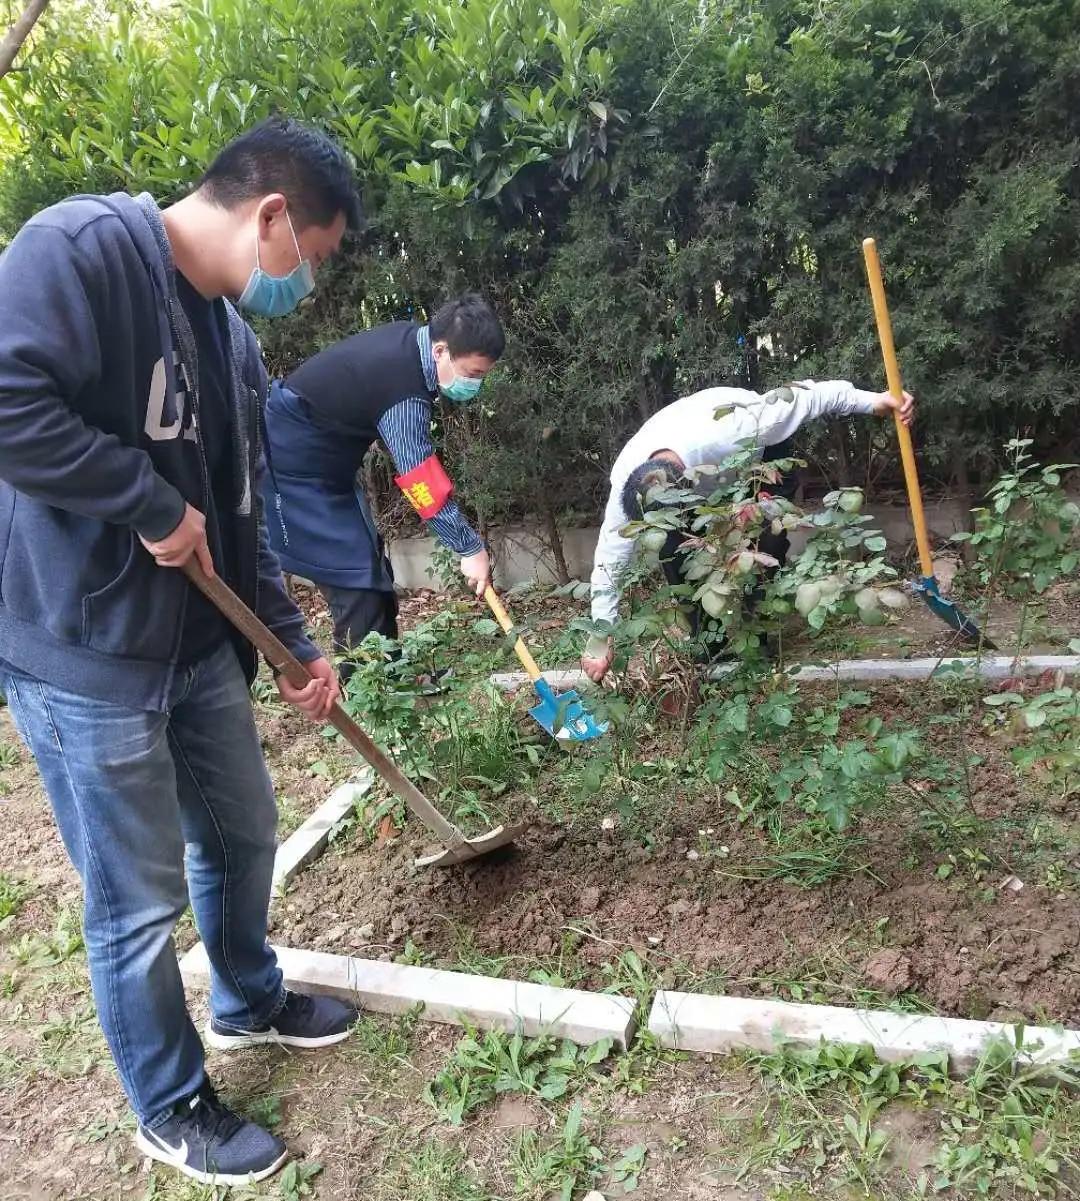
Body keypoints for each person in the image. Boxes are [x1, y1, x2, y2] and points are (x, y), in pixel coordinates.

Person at [0, 118, 364, 1185]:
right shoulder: (82, 251)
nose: (307, 284)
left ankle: (248, 996)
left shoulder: (232, 342)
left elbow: (240, 520)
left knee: (244, 831)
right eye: (314, 255)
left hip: (200, 646)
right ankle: (168, 1104)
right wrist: (145, 498)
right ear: (271, 217)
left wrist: (291, 643)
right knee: (135, 899)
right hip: (86, 652)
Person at [581, 380, 915, 682]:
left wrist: (873, 401)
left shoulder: (742, 426)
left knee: (766, 540)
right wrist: (599, 638)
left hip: (758, 457)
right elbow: (611, 556)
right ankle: (708, 646)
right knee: (673, 550)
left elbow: (807, 396)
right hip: (698, 473)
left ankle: (756, 637)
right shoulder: (629, 480)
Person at [260, 294, 504, 667]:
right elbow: (420, 477)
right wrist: (469, 548)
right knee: (356, 581)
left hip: (328, 468)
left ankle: (390, 675)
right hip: (291, 469)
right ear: (440, 351)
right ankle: (366, 687)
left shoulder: (413, 347)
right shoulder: (402, 387)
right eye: (472, 374)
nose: (475, 385)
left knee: (372, 567)